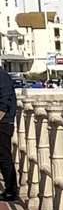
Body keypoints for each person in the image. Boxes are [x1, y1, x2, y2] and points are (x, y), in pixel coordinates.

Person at [0, 69, 17, 202]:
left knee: (4, 156)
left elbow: (3, 105)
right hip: (4, 121)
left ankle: (11, 191)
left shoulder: (2, 77)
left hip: (4, 123)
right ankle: (9, 189)